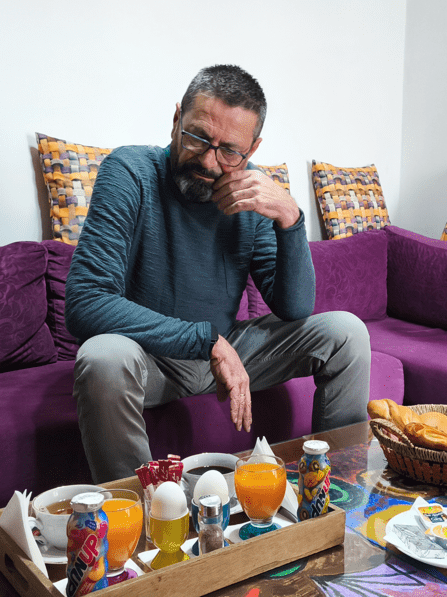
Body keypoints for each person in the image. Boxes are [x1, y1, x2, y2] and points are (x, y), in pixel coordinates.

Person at [65, 65, 371, 482]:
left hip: (229, 349)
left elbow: (294, 307)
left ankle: (335, 491)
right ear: (177, 118)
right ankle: (141, 508)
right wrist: (206, 341)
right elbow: (86, 301)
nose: (208, 162)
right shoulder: (130, 171)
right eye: (197, 137)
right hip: (150, 358)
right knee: (102, 357)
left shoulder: (249, 195)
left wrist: (290, 216)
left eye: (229, 151)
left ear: (253, 148)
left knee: (347, 332)